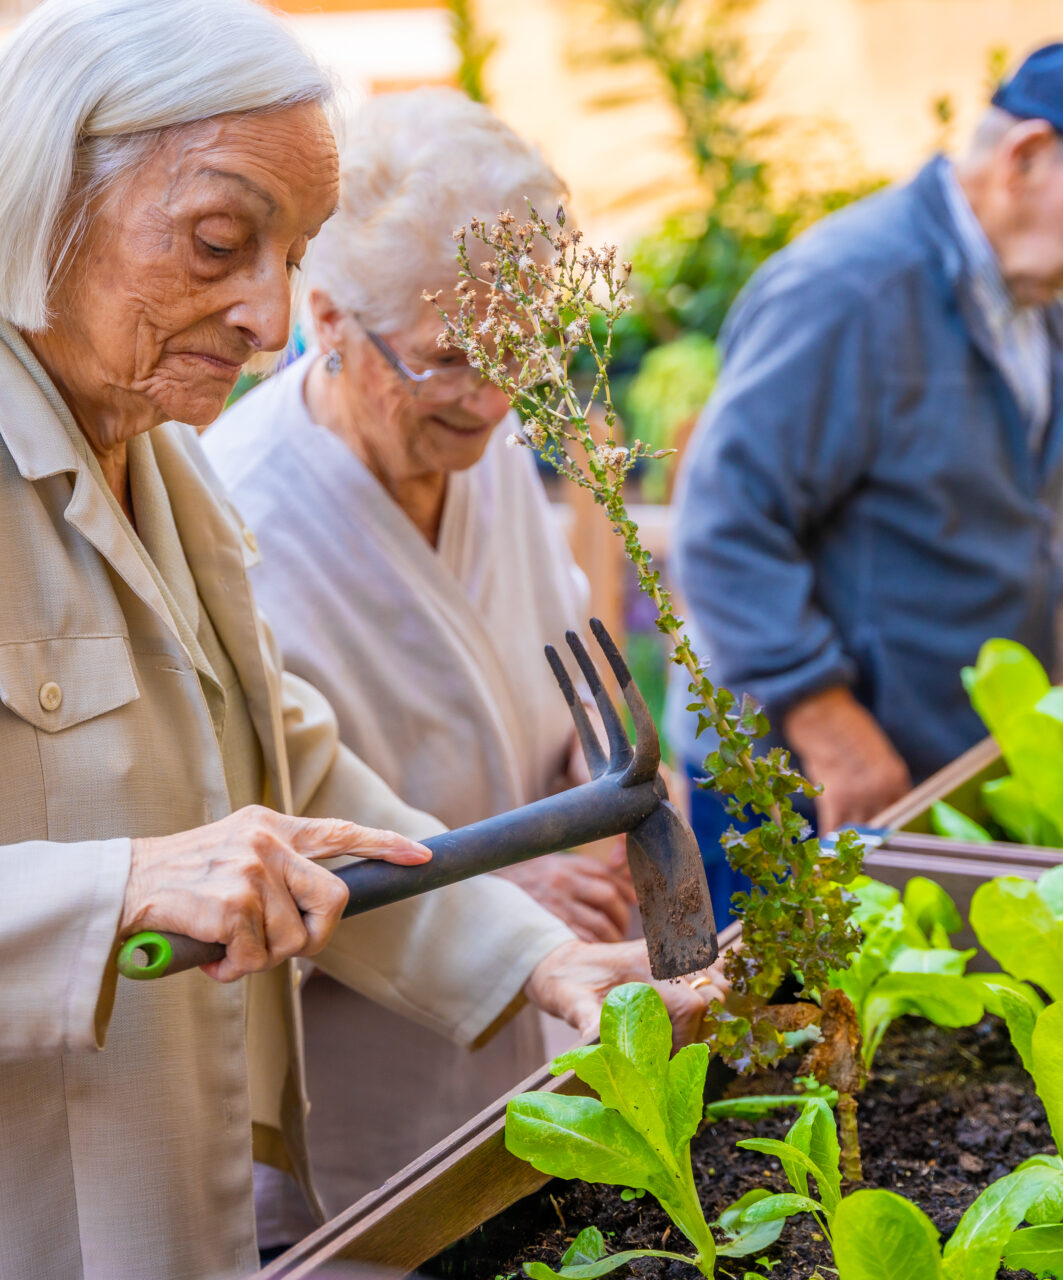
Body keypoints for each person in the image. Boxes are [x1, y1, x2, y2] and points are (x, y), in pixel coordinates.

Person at [0, 4, 717, 1277]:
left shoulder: (153, 449)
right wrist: (118, 887)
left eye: (292, 255)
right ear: (47, 194)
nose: (268, 317)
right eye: (217, 241)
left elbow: (288, 776)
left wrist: (543, 958)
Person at [201, 88, 636, 1220]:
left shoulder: (481, 455)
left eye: (518, 349)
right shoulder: (233, 524)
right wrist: (499, 891)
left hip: (539, 1056)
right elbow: (238, 859)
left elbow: (560, 665)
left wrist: (601, 799)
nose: (492, 401)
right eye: (449, 359)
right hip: (357, 1117)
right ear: (330, 316)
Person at [671, 39, 1063, 843]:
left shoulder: (1035, 310)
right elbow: (722, 518)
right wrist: (824, 718)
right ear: (1026, 155)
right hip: (802, 789)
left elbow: (1055, 473)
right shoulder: (852, 291)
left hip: (935, 775)